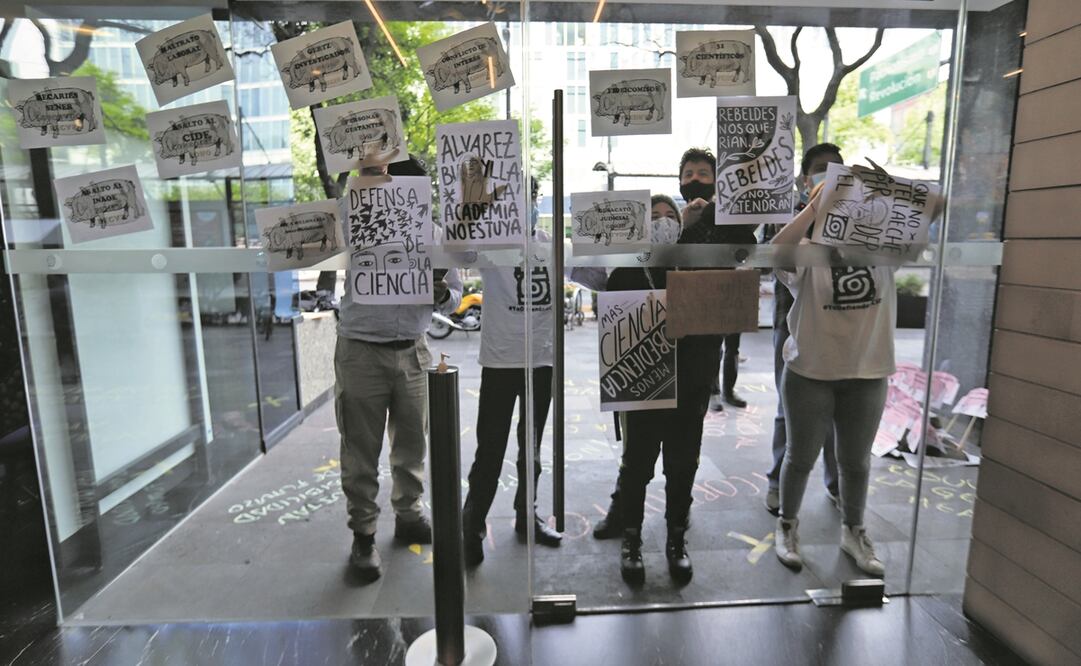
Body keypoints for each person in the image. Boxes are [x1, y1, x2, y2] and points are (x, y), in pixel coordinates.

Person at [336, 155, 463, 582]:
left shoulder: (435, 235)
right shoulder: (355, 220)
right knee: (360, 449)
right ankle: (364, 534)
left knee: (412, 443)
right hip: (361, 348)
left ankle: (409, 514)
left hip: (413, 349)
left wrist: (441, 291)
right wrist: (363, 179)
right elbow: (320, 235)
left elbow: (455, 299)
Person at [770, 174, 902, 577]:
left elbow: (930, 213)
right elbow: (777, 250)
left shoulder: (882, 249)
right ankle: (788, 527)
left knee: (856, 462)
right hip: (811, 370)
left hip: (867, 370)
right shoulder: (809, 252)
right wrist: (816, 205)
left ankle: (853, 531)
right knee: (800, 457)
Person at [462, 178, 563, 566]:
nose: (526, 205)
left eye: (531, 197)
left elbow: (591, 271)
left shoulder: (550, 244)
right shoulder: (491, 243)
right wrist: (477, 208)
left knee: (532, 448)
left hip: (542, 360)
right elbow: (459, 252)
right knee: (490, 448)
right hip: (502, 361)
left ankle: (527, 514)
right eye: (516, 199)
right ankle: (472, 522)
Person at [762, 144, 843, 515]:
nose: (829, 174)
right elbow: (770, 256)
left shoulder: (855, 216)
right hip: (791, 323)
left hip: (842, 327)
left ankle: (837, 483)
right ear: (806, 177)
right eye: (821, 169)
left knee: (837, 412)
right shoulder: (789, 215)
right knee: (787, 408)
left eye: (836, 169)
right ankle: (778, 482)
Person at [678, 148, 752, 411]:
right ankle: (710, 391)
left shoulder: (729, 216)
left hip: (724, 304)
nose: (695, 179)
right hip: (683, 311)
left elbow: (748, 245)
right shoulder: (672, 218)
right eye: (688, 174)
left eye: (702, 173)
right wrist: (681, 224)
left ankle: (724, 390)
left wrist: (712, 214)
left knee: (727, 349)